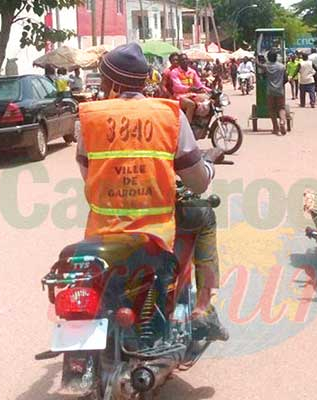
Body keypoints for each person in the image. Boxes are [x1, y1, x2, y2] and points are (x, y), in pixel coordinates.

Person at [75, 42, 227, 341]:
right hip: (156, 232)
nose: (101, 85)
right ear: (145, 82)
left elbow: (88, 175)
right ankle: (203, 308)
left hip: (103, 230)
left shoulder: (90, 117)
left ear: (113, 83)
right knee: (205, 215)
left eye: (103, 79)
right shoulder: (169, 115)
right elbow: (197, 182)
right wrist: (208, 167)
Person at [170, 53, 210, 124]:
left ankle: (202, 122)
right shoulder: (174, 72)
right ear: (179, 62)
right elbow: (177, 86)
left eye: (186, 59)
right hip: (179, 97)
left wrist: (209, 90)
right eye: (182, 60)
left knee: (209, 99)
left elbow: (199, 84)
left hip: (191, 95)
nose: (184, 61)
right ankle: (187, 127)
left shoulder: (192, 72)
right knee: (191, 104)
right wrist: (189, 88)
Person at [257, 52, 288, 135]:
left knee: (271, 109)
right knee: (281, 108)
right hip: (280, 91)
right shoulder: (282, 67)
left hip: (270, 91)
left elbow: (258, 65)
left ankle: (275, 128)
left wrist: (255, 58)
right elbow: (286, 78)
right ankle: (282, 121)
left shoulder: (267, 66)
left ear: (268, 58)